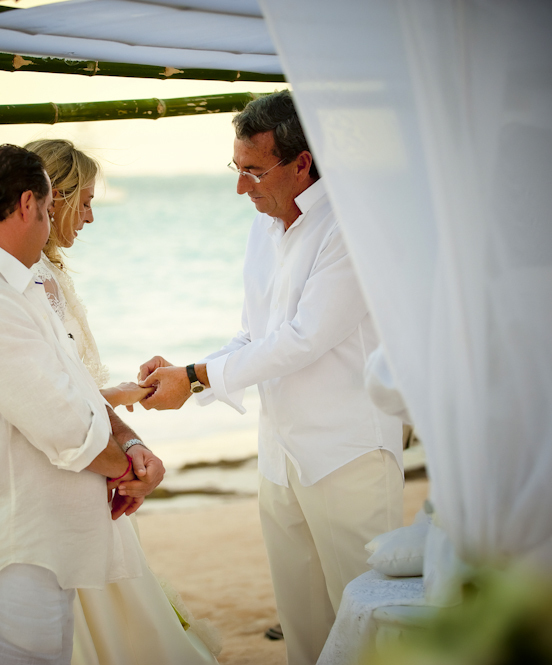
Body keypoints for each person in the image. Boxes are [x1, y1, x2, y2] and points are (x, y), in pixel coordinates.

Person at [137, 91, 404, 665]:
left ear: (302, 162)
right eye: (237, 170)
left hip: (348, 456)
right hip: (279, 459)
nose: (242, 187)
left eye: (254, 171)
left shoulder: (353, 228)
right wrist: (185, 374)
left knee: (370, 626)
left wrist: (197, 378)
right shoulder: (264, 226)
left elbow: (304, 339)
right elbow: (253, 337)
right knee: (305, 630)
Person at [0, 140, 221, 665]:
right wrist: (130, 470)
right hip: (11, 546)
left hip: (47, 538)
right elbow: (61, 422)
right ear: (31, 205)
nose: (62, 223)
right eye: (51, 209)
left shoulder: (14, 282)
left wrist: (133, 444)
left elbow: (69, 388)